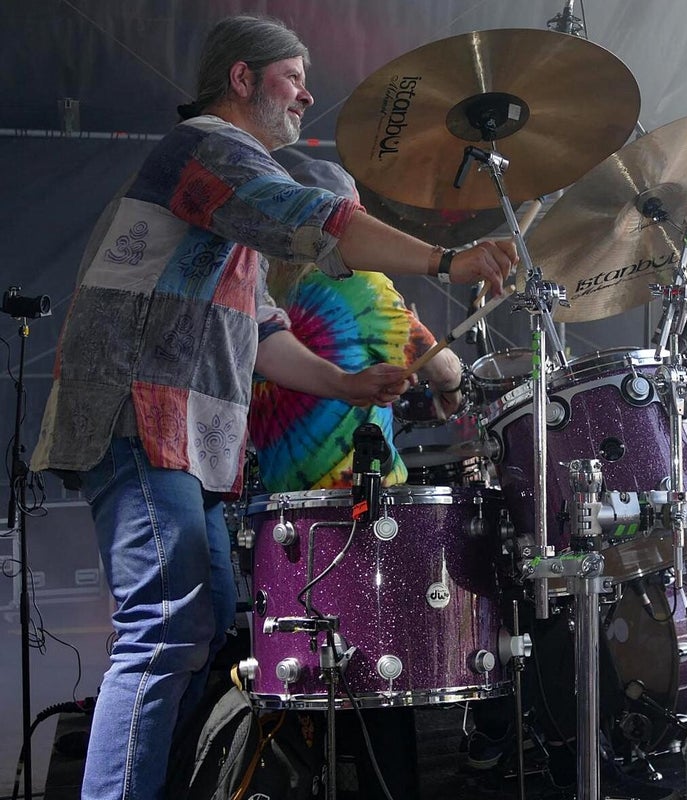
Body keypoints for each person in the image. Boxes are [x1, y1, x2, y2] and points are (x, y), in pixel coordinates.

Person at [29, 15, 516, 800]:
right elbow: (320, 222)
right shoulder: (209, 148)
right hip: (139, 414)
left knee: (206, 619)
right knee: (166, 625)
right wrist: (447, 259)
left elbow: (259, 330)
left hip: (181, 436)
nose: (307, 95)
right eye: (293, 77)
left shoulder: (226, 206)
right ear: (242, 79)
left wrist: (345, 384)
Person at [247, 157, 464, 492]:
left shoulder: (255, 290)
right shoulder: (360, 285)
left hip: (279, 501)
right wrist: (452, 390)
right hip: (356, 497)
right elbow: (439, 364)